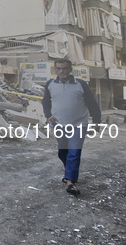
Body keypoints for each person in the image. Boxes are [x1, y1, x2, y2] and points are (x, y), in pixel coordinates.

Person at [41, 58, 101, 196]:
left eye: (65, 68)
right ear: (55, 70)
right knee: (63, 152)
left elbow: (92, 103)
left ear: (70, 69)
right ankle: (69, 172)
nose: (62, 71)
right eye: (59, 69)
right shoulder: (50, 84)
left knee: (74, 152)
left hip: (78, 125)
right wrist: (49, 116)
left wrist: (96, 121)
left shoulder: (81, 84)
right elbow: (45, 102)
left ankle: (70, 183)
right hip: (59, 125)